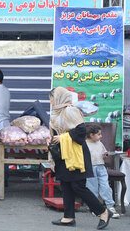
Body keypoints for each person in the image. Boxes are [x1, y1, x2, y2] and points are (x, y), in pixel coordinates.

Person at [48, 87, 112, 229]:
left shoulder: (70, 110)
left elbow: (81, 131)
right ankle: (68, 217)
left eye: (52, 98)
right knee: (65, 185)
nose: (51, 101)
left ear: (59, 97)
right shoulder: (56, 112)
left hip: (75, 153)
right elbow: (56, 132)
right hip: (63, 153)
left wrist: (63, 137)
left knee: (78, 186)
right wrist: (51, 139)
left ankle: (103, 211)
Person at [85, 123, 120, 218]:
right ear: (92, 135)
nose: (101, 136)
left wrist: (105, 155)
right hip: (90, 168)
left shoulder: (99, 143)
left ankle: (110, 206)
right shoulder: (84, 144)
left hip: (101, 167)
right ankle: (94, 207)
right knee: (92, 188)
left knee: (105, 186)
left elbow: (103, 153)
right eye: (99, 134)